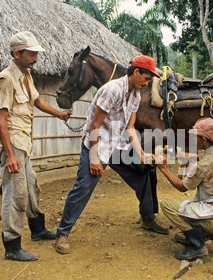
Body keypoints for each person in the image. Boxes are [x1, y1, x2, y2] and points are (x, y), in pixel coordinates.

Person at [55, 55, 169, 254]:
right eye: (147, 78)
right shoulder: (112, 90)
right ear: (136, 72)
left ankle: (148, 218)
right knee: (83, 187)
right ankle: (63, 233)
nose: (148, 82)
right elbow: (94, 125)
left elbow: (131, 127)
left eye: (150, 79)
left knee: (144, 174)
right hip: (97, 144)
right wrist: (94, 158)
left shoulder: (135, 94)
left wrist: (141, 155)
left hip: (117, 144)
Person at [0, 31, 72, 261]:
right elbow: (0, 119)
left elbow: (36, 101)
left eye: (36, 53)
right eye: (31, 53)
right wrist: (9, 155)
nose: (36, 57)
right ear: (17, 53)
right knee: (15, 194)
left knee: (31, 188)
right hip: (13, 144)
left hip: (24, 142)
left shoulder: (25, 74)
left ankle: (37, 230)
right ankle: (12, 245)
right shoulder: (6, 79)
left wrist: (58, 114)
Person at [155, 118, 213, 260]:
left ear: (204, 140)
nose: (193, 140)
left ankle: (198, 246)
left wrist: (163, 168)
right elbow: (209, 158)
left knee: (167, 204)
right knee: (180, 236)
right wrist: (192, 156)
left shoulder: (201, 166)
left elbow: (183, 187)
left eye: (196, 137)